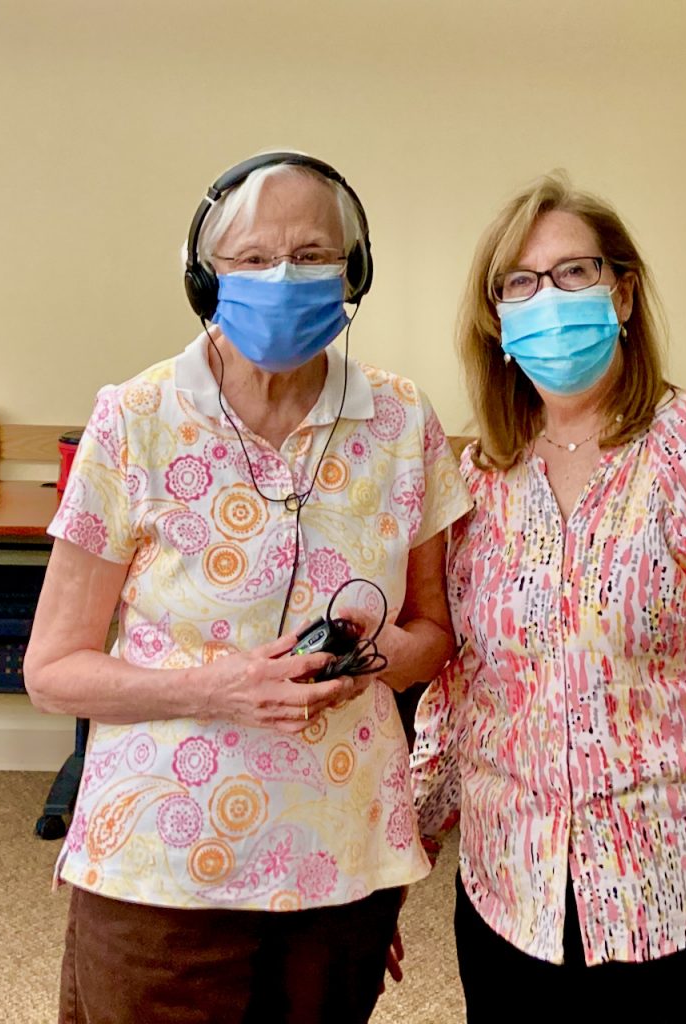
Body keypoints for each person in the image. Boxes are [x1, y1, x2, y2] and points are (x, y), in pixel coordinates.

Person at [24, 150, 471, 1024]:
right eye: (255, 258)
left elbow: (433, 634)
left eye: (313, 255)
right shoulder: (135, 418)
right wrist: (218, 687)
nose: (285, 277)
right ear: (205, 279)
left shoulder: (402, 420)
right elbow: (52, 671)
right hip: (160, 862)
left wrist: (361, 663)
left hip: (341, 856)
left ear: (354, 272)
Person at [411, 172, 686, 1024]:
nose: (549, 298)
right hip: (508, 901)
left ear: (623, 291)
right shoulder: (478, 482)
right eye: (521, 283)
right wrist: (404, 846)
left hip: (672, 903)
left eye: (575, 273)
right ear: (497, 321)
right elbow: (465, 690)